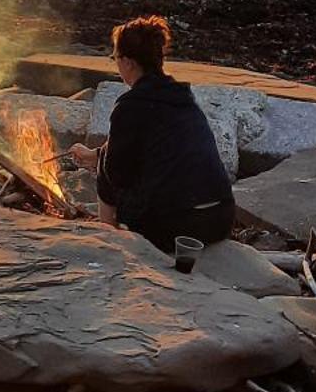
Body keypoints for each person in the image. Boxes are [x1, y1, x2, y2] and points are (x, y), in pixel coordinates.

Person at [70, 14, 234, 256]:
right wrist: (93, 154)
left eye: (115, 57)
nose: (116, 63)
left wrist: (100, 162)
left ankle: (107, 238)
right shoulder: (182, 98)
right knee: (108, 161)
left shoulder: (130, 105)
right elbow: (158, 149)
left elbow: (117, 173)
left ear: (128, 62)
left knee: (107, 172)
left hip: (175, 227)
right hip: (219, 218)